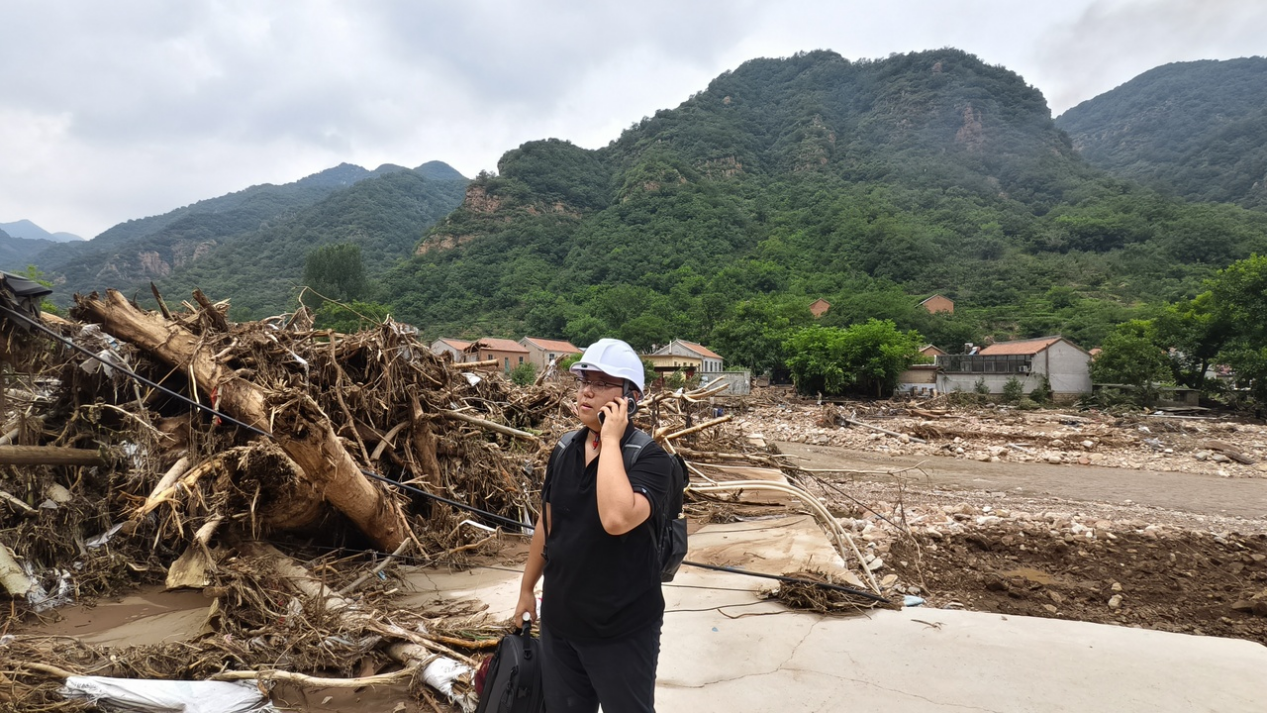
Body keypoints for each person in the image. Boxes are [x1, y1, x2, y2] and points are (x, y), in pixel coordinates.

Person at [515, 338, 673, 713]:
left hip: (622, 631)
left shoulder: (650, 459)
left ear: (629, 398)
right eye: (585, 380)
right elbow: (548, 523)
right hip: (561, 624)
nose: (587, 390)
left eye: (602, 383)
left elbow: (616, 519)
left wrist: (612, 440)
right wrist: (526, 589)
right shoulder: (565, 449)